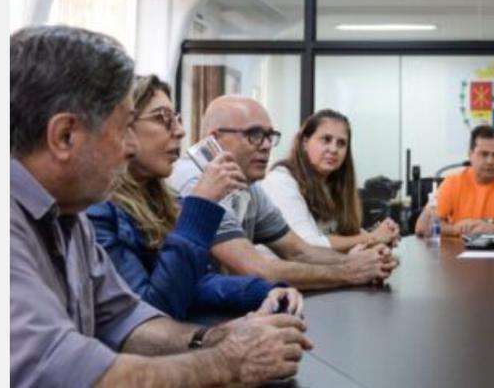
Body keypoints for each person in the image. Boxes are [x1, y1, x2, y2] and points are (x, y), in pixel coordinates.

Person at [10, 25, 311, 388]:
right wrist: (228, 360)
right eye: (122, 130)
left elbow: (129, 319)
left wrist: (219, 338)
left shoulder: (69, 217)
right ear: (64, 136)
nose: (130, 148)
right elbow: (72, 373)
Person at [88, 75, 304, 320]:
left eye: (177, 119)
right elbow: (151, 313)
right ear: (122, 127)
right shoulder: (97, 209)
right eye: (162, 119)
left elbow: (197, 283)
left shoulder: (161, 197)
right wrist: (200, 205)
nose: (180, 132)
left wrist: (266, 291)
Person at [169, 96, 398, 291]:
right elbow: (255, 269)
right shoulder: (196, 182)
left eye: (270, 136)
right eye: (255, 134)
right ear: (214, 139)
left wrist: (360, 261)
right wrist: (350, 269)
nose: (267, 145)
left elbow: (300, 251)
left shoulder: (249, 186)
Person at [261, 108, 401, 252]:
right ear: (304, 143)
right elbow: (308, 246)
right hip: (278, 274)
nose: (333, 149)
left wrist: (383, 235)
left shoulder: (331, 185)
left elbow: (342, 236)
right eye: (326, 140)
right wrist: (373, 238)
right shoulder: (281, 182)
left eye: (341, 143)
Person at [414, 125, 494, 236]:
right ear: (470, 154)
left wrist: (492, 225)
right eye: (484, 154)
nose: (490, 161)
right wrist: (454, 230)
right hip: (457, 255)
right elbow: (421, 227)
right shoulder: (453, 182)